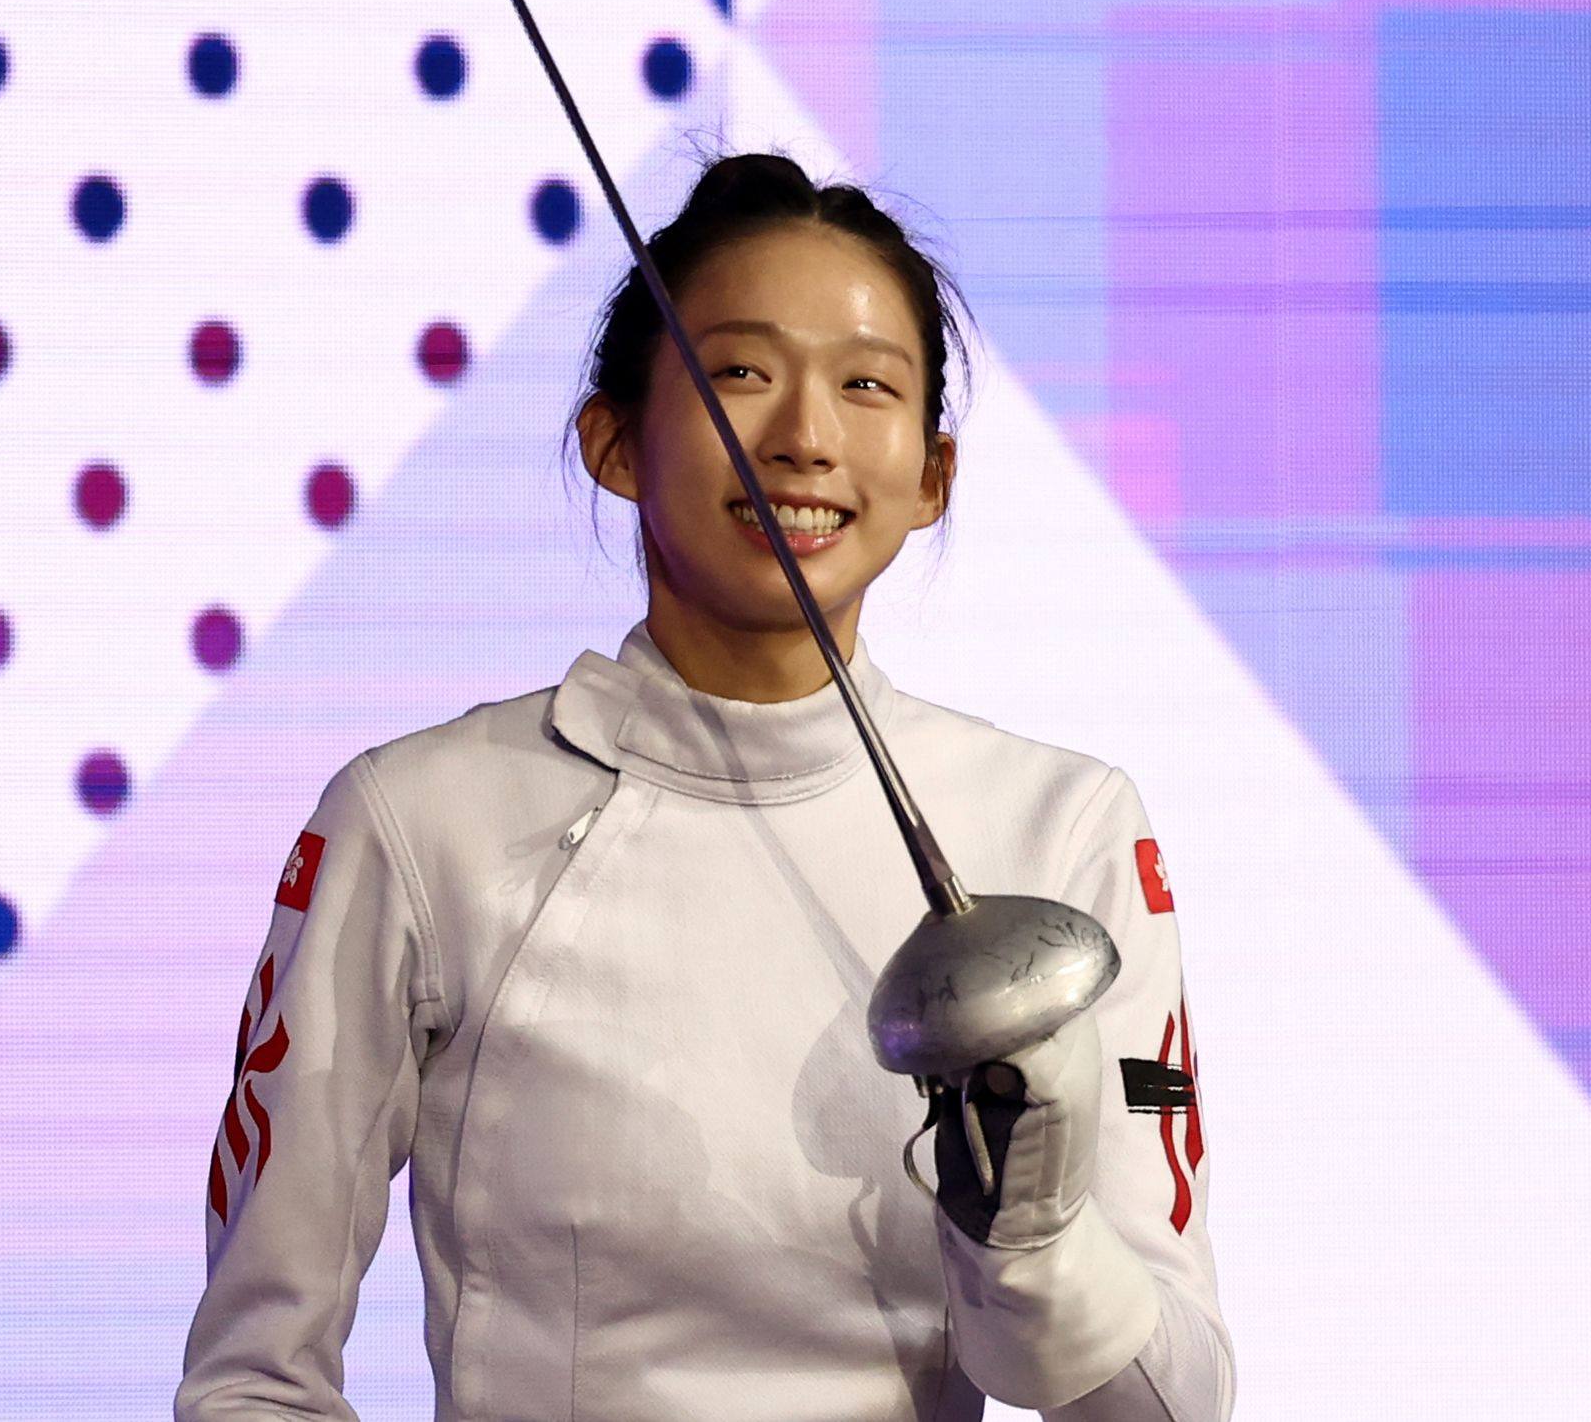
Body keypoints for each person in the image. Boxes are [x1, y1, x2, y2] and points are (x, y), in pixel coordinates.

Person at [178, 153, 1235, 1420]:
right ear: (614, 441)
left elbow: (1165, 1400)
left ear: (932, 472)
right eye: (740, 370)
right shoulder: (421, 823)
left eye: (865, 385)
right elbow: (253, 1376)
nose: (802, 435)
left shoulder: (1059, 827)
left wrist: (1031, 1237)